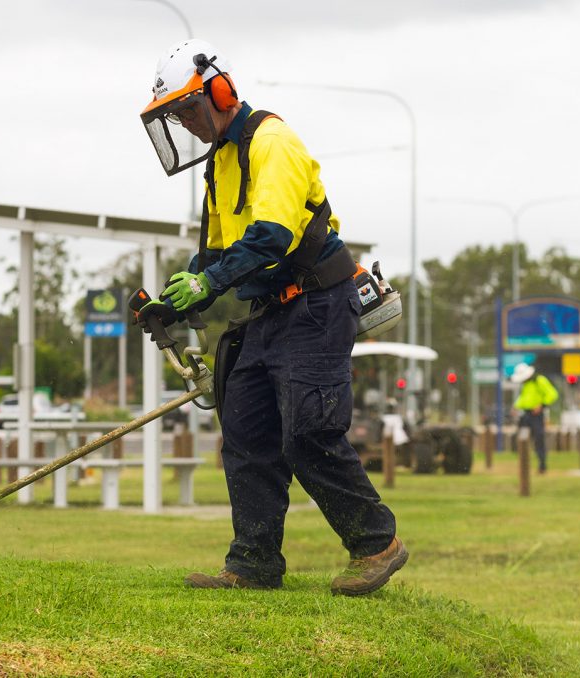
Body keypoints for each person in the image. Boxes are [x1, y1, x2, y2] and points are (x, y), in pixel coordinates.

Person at [137, 39, 406, 595]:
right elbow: (216, 251)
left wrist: (209, 282)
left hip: (316, 302)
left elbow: (272, 238)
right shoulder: (222, 162)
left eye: (188, 108)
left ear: (220, 90)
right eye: (175, 116)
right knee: (246, 430)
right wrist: (180, 295)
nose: (185, 123)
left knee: (307, 430)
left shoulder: (271, 142)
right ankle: (254, 563)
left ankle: (376, 543)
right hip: (271, 310)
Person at [510, 363, 559, 473]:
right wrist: (516, 407)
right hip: (526, 414)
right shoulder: (526, 385)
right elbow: (524, 398)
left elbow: (552, 394)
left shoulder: (539, 380)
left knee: (539, 439)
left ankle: (542, 465)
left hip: (537, 415)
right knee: (522, 438)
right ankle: (523, 464)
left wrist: (542, 405)